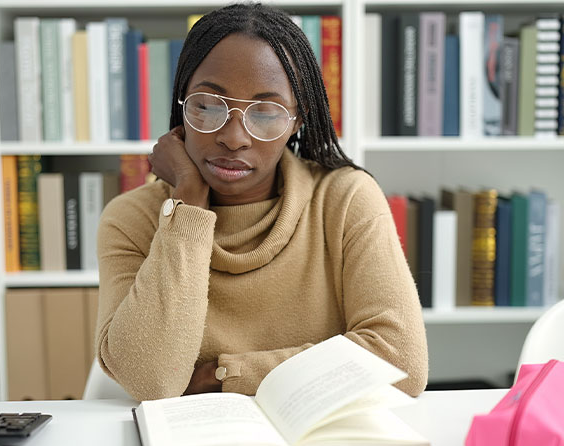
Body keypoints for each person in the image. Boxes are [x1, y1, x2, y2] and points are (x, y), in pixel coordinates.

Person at [96, 3, 428, 401]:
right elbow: (151, 381)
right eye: (208, 105)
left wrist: (224, 377)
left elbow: (401, 362)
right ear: (182, 105)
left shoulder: (345, 199)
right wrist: (188, 203)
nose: (234, 137)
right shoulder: (131, 219)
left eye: (266, 113)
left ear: (297, 121)